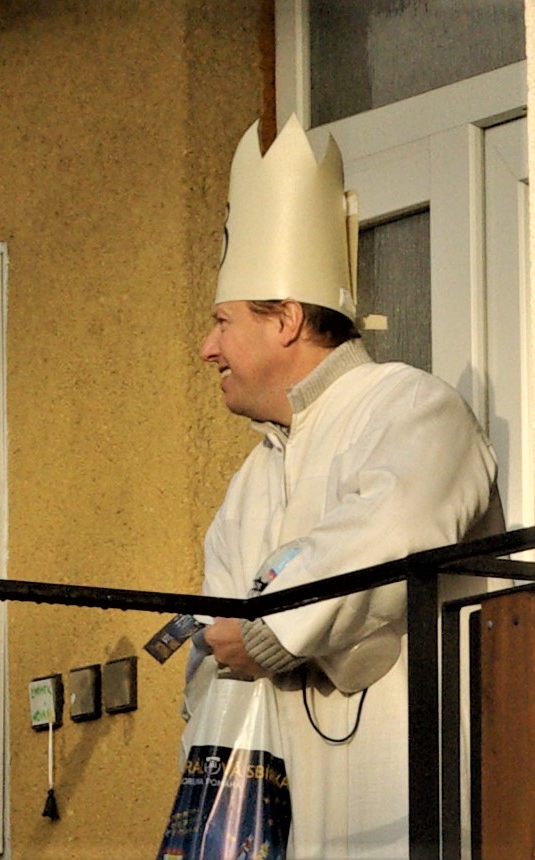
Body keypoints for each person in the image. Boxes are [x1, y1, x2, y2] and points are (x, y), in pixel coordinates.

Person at [182, 116, 504, 857]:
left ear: (287, 320)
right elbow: (216, 640)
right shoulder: (252, 478)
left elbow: (391, 533)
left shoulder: (412, 405)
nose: (206, 348)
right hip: (284, 810)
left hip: (413, 790)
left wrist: (266, 633)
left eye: (221, 322)